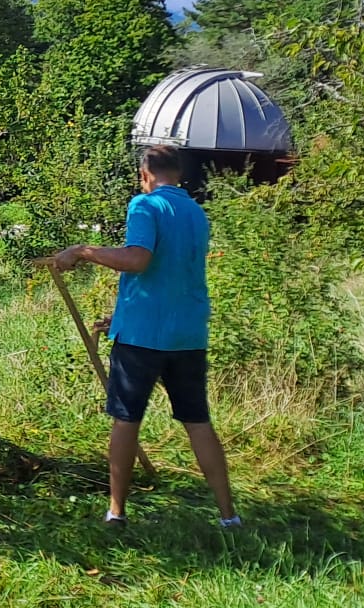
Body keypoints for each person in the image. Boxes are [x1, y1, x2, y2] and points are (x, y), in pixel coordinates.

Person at [50, 145, 239, 529]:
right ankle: (228, 516)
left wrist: (82, 251)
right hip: (187, 334)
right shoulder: (196, 213)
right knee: (198, 421)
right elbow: (172, 274)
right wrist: (120, 317)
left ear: (145, 175)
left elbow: (138, 259)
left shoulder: (145, 205)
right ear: (179, 175)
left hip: (143, 339)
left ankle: (116, 513)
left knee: (126, 420)